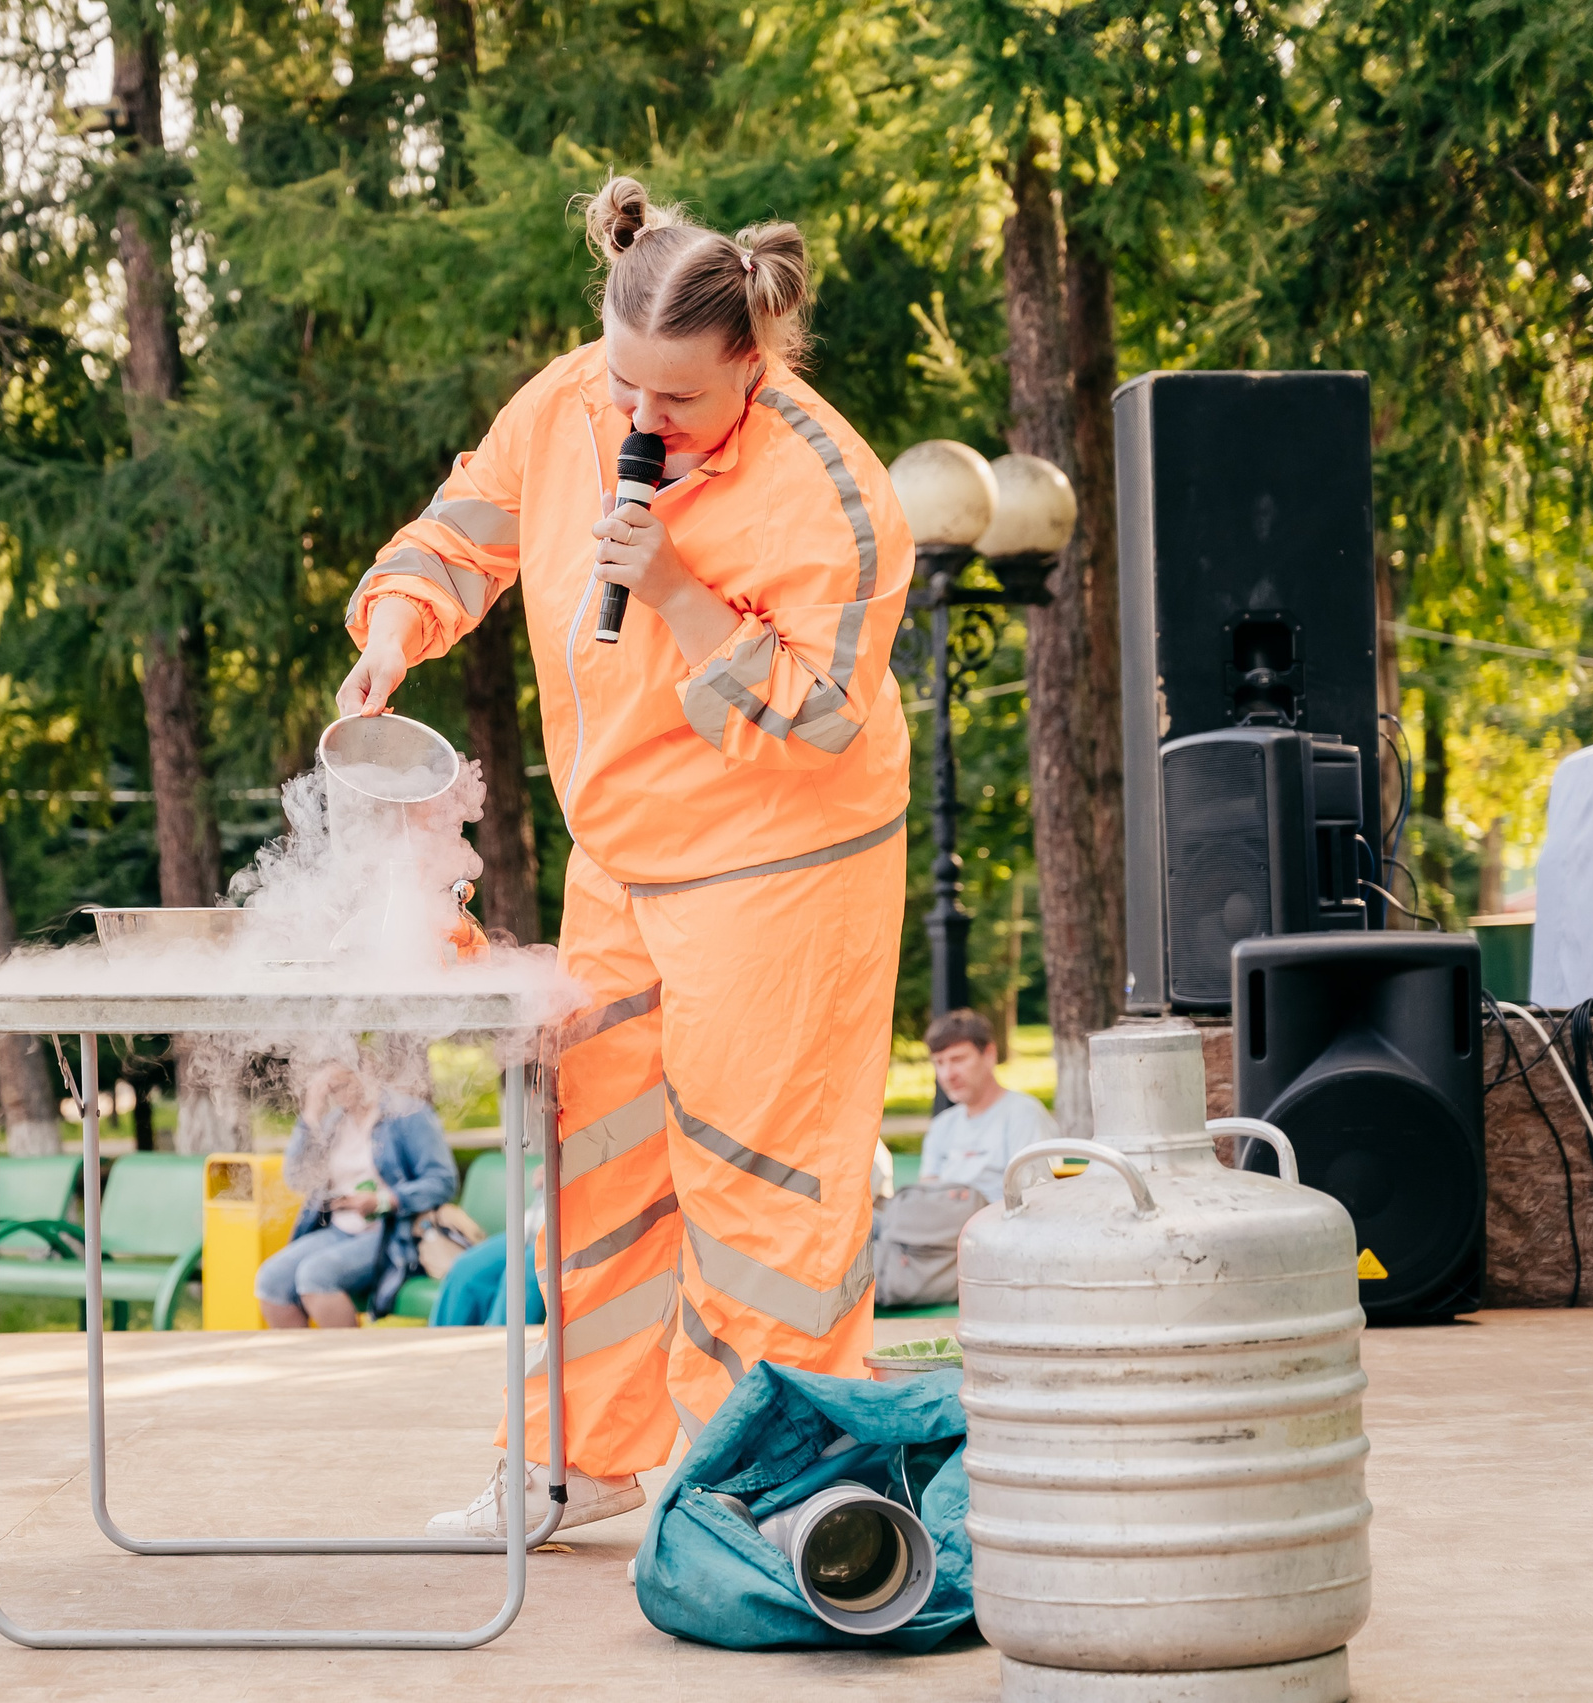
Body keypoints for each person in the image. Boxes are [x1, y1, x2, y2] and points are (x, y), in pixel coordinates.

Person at [339, 175, 914, 1537]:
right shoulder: (568, 405)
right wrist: (393, 631)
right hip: (627, 852)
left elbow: (816, 716)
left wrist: (667, 582)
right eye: (623, 388)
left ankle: (748, 1484)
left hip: (788, 856)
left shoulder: (833, 487)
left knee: (758, 1175)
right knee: (592, 1156)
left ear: (752, 361)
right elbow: (465, 528)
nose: (639, 424)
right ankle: (583, 1456)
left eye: (678, 405)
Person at [256, 1063, 458, 1329]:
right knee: (270, 1280)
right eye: (332, 1088)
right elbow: (296, 1178)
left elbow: (442, 1181)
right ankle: (308, 1363)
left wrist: (383, 1201)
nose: (341, 1094)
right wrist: (310, 1116)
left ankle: (349, 1361)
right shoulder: (333, 1122)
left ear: (368, 1071)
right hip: (339, 1229)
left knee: (315, 1275)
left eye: (346, 1083)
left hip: (392, 1233)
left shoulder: (408, 1114)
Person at [917, 1010, 1058, 1204]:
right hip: (941, 1229)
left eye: (958, 1059)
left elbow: (1035, 1198)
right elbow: (926, 1197)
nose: (948, 1074)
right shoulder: (942, 1124)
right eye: (939, 1063)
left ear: (990, 1054)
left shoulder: (1023, 1114)